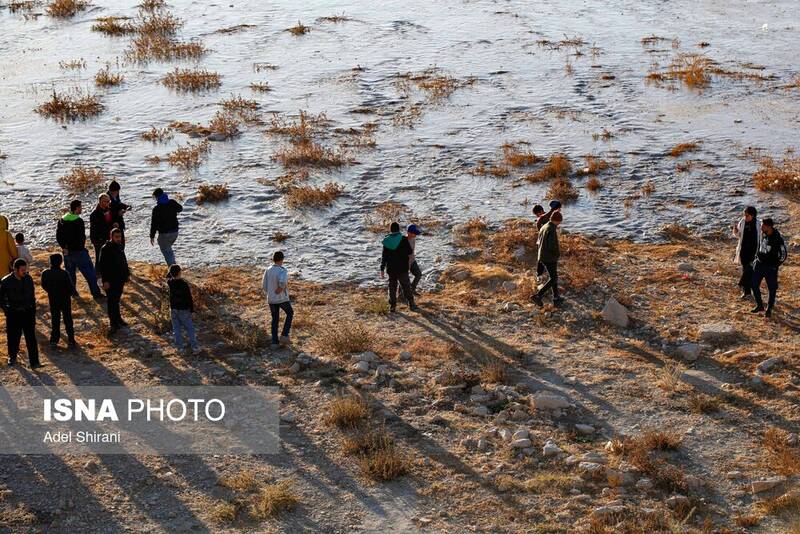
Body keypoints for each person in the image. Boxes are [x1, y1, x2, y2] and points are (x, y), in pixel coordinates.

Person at [56, 200, 103, 298]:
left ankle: (73, 293)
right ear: (76, 208)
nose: (82, 209)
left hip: (66, 252)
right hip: (78, 252)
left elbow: (58, 236)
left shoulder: (62, 220)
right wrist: (81, 248)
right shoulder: (78, 221)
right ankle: (96, 293)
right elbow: (81, 238)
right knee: (90, 272)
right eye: (81, 207)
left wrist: (64, 247)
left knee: (70, 274)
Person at [0, 259, 41, 368]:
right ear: (15, 269)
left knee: (31, 337)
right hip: (14, 313)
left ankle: (35, 362)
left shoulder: (28, 278)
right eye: (22, 270)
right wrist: (7, 310)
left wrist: (33, 310)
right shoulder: (6, 281)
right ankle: (12, 357)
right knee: (13, 336)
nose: (25, 271)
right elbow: (1, 298)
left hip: (28, 312)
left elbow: (32, 296)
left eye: (25, 269)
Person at [751, 218, 786, 318]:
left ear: (769, 226)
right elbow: (761, 246)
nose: (761, 227)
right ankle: (760, 305)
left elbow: (783, 255)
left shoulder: (777, 239)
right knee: (753, 284)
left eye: (763, 225)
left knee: (772, 289)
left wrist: (775, 266)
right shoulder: (764, 234)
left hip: (770, 268)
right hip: (759, 265)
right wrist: (756, 258)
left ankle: (769, 309)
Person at [98, 228, 130, 334]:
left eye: (119, 236)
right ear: (111, 237)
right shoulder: (106, 249)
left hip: (119, 278)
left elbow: (123, 261)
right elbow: (102, 266)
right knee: (112, 302)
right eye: (116, 237)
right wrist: (105, 281)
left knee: (116, 301)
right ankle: (113, 323)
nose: (118, 239)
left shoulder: (120, 246)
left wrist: (127, 275)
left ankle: (118, 319)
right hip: (110, 280)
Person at [41, 253, 76, 348]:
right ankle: (71, 340)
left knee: (55, 320)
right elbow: (71, 288)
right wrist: (69, 293)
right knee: (68, 319)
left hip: (53, 299)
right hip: (65, 299)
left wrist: (51, 291)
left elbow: (43, 285)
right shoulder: (64, 273)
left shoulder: (45, 273)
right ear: (61, 262)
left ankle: (54, 340)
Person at [380, 222, 417, 312]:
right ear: (399, 229)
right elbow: (409, 252)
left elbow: (384, 256)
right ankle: (411, 304)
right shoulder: (403, 239)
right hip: (402, 268)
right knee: (406, 286)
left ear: (390, 230)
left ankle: (392, 306)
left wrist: (382, 269)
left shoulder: (386, 241)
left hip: (391, 269)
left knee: (392, 287)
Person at [532, 211, 564, 307]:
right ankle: (538, 296)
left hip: (542, 255)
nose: (559, 224)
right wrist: (557, 253)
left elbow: (539, 241)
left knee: (553, 277)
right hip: (549, 257)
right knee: (554, 278)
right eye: (559, 222)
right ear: (558, 221)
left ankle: (556, 298)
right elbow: (551, 246)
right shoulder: (551, 229)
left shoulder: (544, 226)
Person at [263, 251, 293, 347]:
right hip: (281, 298)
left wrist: (271, 293)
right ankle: (284, 335)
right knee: (290, 313)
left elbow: (264, 285)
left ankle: (274, 342)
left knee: (275, 319)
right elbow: (282, 282)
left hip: (271, 299)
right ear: (282, 259)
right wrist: (279, 290)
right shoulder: (282, 270)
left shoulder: (268, 269)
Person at [167, 264, 199, 354]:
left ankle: (180, 348)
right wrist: (192, 310)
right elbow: (189, 298)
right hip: (184, 309)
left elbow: (168, 276)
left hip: (173, 309)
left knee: (177, 329)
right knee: (190, 328)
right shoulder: (184, 284)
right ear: (180, 272)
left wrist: (170, 272)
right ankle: (194, 347)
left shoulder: (169, 282)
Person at [150, 188, 183, 266]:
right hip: (175, 233)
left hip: (164, 235)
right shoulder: (171, 202)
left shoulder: (156, 209)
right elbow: (180, 209)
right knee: (168, 251)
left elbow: (153, 224)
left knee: (168, 254)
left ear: (157, 197)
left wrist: (152, 236)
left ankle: (174, 272)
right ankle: (173, 269)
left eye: (155, 197)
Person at [732, 206, 759, 300]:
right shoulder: (742, 222)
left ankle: (741, 283)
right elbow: (739, 235)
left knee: (749, 270)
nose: (745, 217)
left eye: (747, 215)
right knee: (745, 270)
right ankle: (746, 293)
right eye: (744, 215)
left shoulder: (758, 224)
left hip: (754, 252)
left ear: (753, 215)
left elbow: (762, 238)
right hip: (743, 251)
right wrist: (735, 231)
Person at [89, 194, 114, 267]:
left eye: (109, 201)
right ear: (101, 202)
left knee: (108, 257)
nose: (109, 203)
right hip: (98, 239)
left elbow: (109, 222)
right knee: (99, 257)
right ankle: (97, 273)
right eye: (107, 201)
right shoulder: (94, 214)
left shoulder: (108, 210)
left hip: (107, 237)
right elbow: (98, 228)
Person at [107, 180, 130, 245]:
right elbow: (108, 213)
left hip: (119, 223)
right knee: (116, 244)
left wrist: (125, 206)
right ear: (112, 191)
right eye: (117, 191)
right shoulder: (107, 199)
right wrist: (118, 213)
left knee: (122, 243)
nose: (118, 192)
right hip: (113, 224)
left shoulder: (116, 196)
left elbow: (119, 204)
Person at [407, 224, 423, 295]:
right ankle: (401, 296)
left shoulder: (413, 239)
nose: (416, 235)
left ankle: (412, 289)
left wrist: (412, 261)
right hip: (405, 262)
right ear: (408, 233)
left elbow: (412, 252)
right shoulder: (404, 241)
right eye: (414, 233)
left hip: (412, 260)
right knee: (404, 279)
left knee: (418, 274)